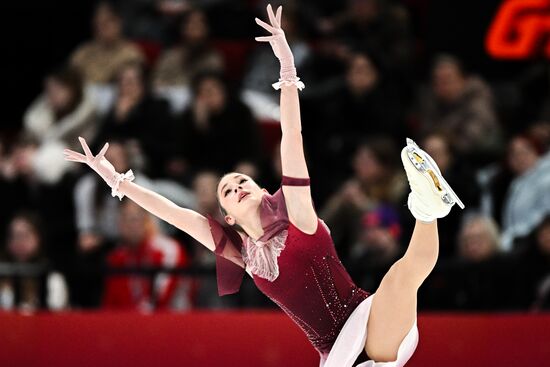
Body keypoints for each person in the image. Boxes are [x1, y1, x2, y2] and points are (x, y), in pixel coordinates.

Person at [64, 5, 463, 366]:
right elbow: (175, 214)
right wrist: (116, 179)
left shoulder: (298, 214)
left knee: (399, 276)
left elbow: (291, 135)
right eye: (227, 189)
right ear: (227, 215)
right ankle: (427, 209)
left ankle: (428, 207)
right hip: (337, 355)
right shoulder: (242, 252)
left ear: (260, 190)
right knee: (397, 282)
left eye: (242, 180)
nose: (236, 185)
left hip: (371, 321)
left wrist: (286, 67)